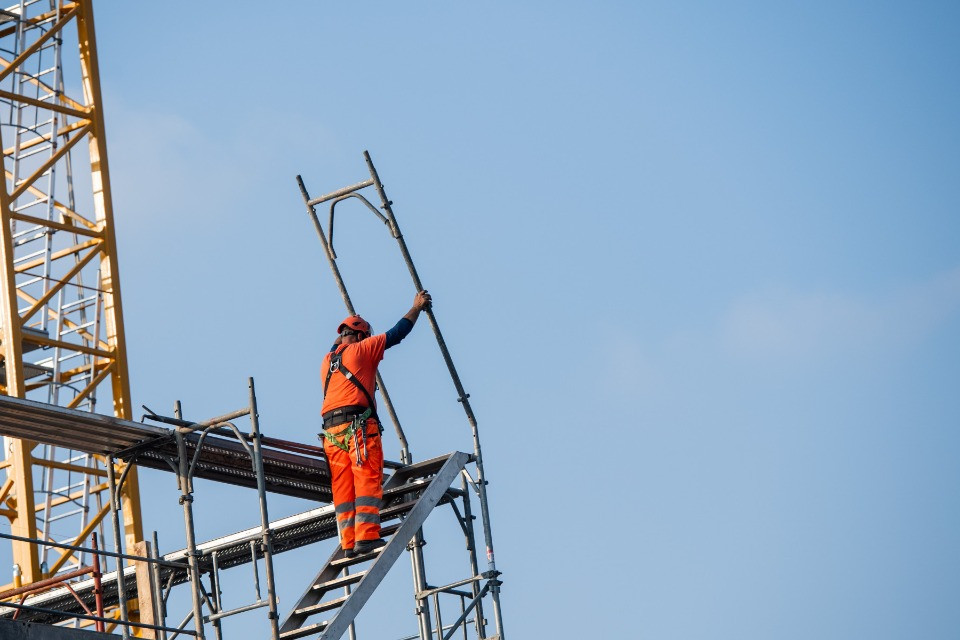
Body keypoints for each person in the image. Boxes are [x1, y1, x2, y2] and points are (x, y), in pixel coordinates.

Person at [320, 290, 432, 556]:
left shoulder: (327, 361)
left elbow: (338, 342)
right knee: (366, 478)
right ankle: (367, 536)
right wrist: (416, 307)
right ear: (361, 336)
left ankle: (348, 542)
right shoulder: (363, 349)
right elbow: (397, 333)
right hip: (357, 427)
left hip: (331, 434)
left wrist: (348, 329)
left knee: (343, 488)